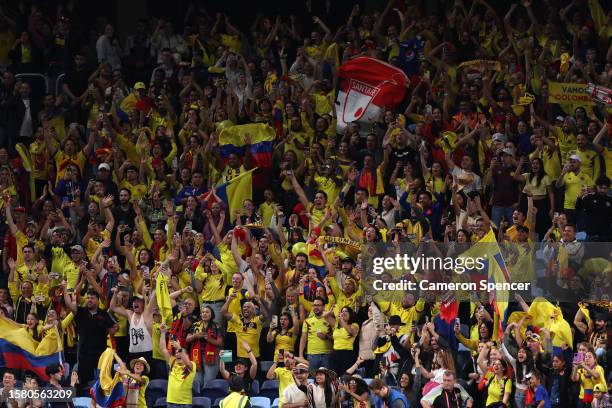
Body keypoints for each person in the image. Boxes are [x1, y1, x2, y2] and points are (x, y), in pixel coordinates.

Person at [159, 323, 196, 408]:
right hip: (170, 402)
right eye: (176, 353)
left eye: (180, 353)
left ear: (187, 356)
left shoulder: (191, 365)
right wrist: (163, 333)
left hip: (185, 403)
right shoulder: (173, 362)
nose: (177, 354)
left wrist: (179, 347)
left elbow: (186, 361)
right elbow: (163, 349)